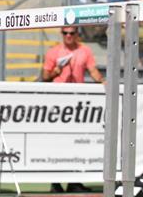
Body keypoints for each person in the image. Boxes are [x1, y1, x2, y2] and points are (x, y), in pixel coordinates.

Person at [42, 26, 102, 193]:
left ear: (77, 34)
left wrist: (104, 83)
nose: (68, 35)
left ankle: (74, 182)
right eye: (65, 33)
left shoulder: (85, 50)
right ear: (62, 34)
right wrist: (56, 72)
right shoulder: (54, 51)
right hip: (58, 103)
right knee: (57, 142)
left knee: (77, 141)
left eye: (72, 33)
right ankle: (55, 183)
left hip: (77, 103)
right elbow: (45, 77)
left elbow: (93, 71)